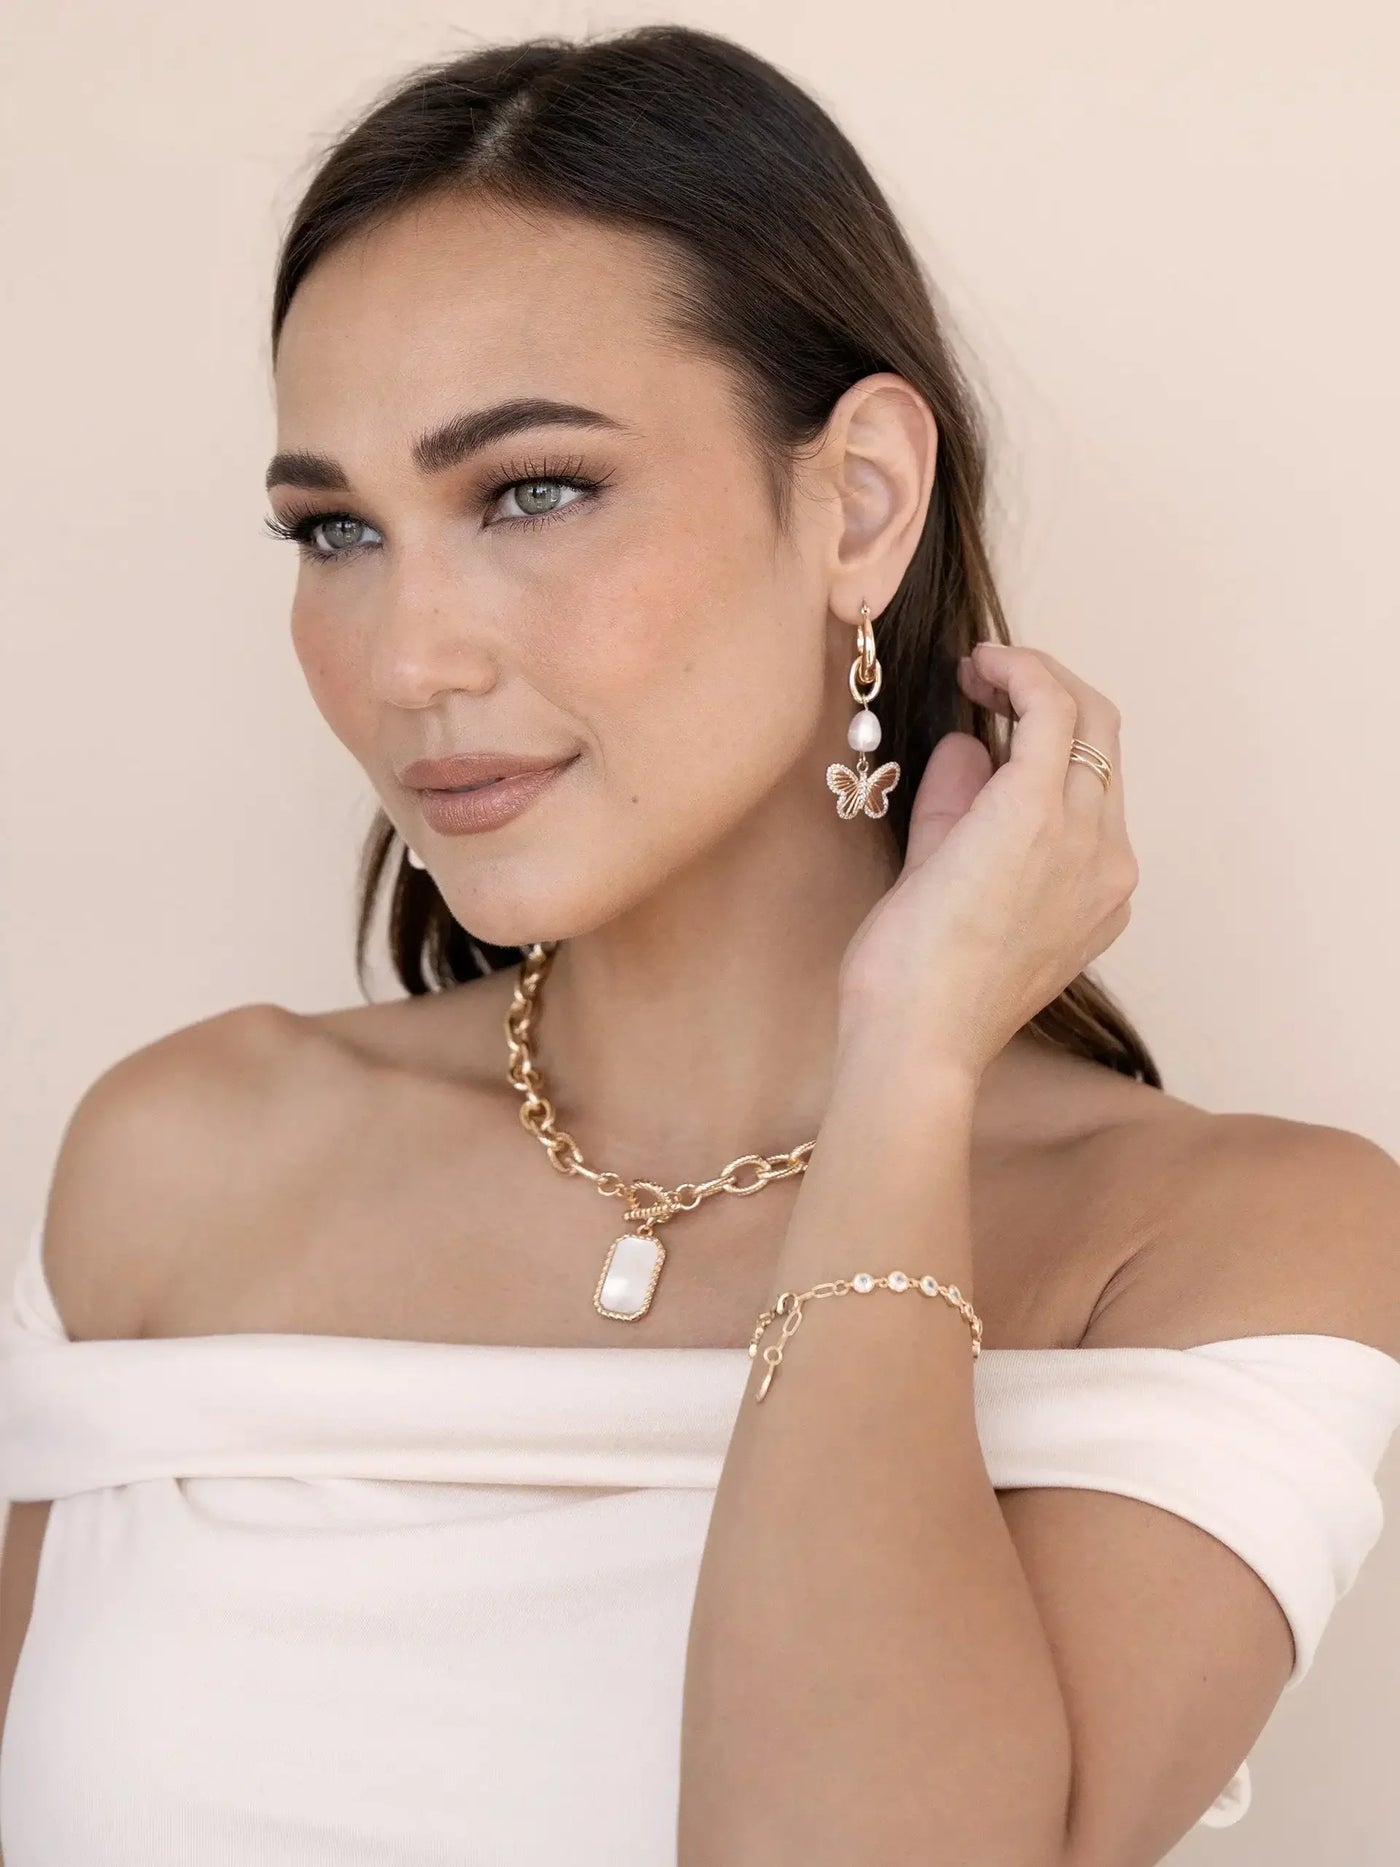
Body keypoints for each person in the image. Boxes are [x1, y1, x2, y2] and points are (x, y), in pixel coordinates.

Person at [2, 22, 1399, 1867]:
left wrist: (905, 1063)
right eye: (334, 527)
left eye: (532, 491)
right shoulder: (174, 1165)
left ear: (859, 502)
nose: (407, 657)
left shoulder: (1219, 1248)